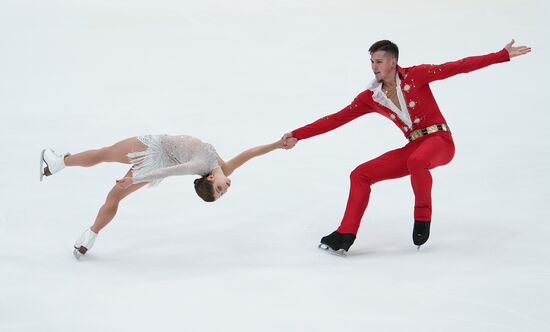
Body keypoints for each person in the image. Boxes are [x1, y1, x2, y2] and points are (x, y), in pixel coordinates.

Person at [281, 39, 531, 255]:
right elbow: (336, 118)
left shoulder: (417, 75)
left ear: (393, 62)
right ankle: (345, 234)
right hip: (415, 146)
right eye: (371, 62)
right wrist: (297, 135)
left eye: (378, 61)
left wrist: (501, 56)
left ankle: (422, 218)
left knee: (416, 161)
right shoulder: (371, 97)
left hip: (440, 142)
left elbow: (457, 67)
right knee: (360, 174)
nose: (374, 67)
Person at [40, 134, 286, 258]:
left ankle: (58, 161)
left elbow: (172, 170)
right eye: (223, 192)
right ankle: (89, 237)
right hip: (160, 158)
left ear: (210, 179)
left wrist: (134, 178)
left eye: (220, 191)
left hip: (152, 149)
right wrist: (277, 144)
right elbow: (251, 153)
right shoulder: (224, 167)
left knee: (104, 155)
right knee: (113, 194)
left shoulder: (201, 163)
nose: (226, 188)